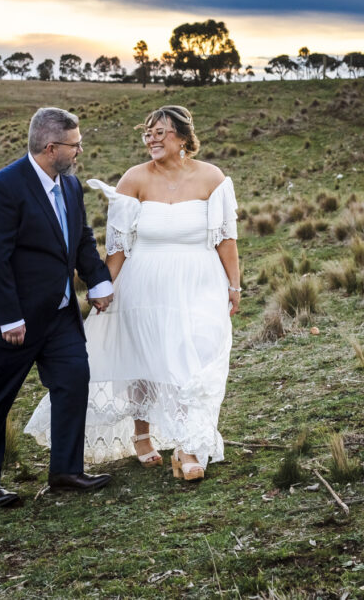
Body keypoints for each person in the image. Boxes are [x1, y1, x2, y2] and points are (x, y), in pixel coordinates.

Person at [26, 105, 240, 481]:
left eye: (160, 132)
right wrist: (103, 288)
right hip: (144, 282)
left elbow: (226, 238)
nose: (151, 140)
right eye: (148, 133)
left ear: (183, 137)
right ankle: (145, 436)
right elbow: (118, 246)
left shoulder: (213, 178)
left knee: (199, 357)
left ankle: (189, 443)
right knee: (146, 359)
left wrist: (234, 284)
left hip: (200, 282)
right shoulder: (134, 179)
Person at [0, 107, 116, 508]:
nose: (80, 151)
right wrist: (9, 317)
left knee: (73, 380)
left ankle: (66, 471)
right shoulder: (2, 189)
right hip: (10, 317)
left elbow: (81, 237)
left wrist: (98, 280)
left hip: (59, 313)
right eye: (75, 145)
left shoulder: (71, 185)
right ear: (50, 148)